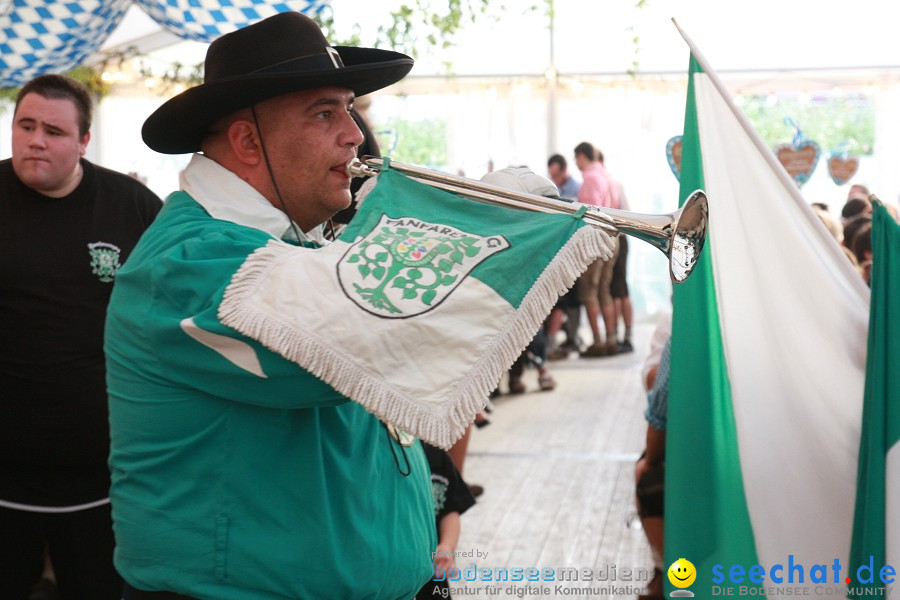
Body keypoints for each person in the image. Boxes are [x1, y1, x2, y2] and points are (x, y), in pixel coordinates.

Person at [105, 13, 435, 599]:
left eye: (350, 108)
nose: (356, 134)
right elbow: (353, 340)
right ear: (249, 141)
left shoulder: (289, 241)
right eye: (325, 112)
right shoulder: (188, 259)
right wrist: (472, 229)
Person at [0, 74, 162, 599]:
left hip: (104, 480)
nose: (36, 140)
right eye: (25, 125)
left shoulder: (131, 206)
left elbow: (170, 320)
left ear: (84, 141)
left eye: (53, 130)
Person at [572, 142, 620, 357]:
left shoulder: (590, 177)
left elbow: (590, 213)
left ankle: (598, 342)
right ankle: (611, 339)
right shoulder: (608, 176)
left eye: (576, 158)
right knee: (604, 290)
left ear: (582, 156)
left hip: (596, 237)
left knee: (589, 292)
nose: (576, 163)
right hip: (613, 236)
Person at [416, 443, 477, 600]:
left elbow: (450, 510)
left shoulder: (437, 456)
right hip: (388, 577)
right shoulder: (378, 457)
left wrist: (447, 546)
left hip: (432, 571)